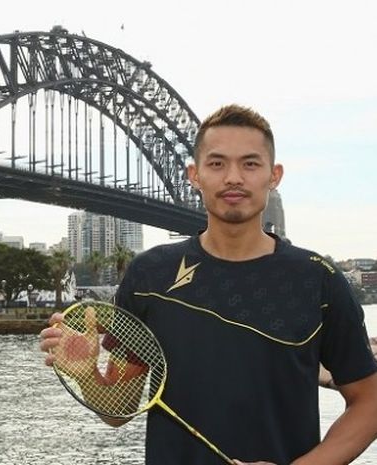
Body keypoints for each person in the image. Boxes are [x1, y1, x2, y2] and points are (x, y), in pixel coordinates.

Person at [40, 104, 377, 464]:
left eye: (250, 163)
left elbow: (369, 402)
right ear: (194, 175)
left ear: (274, 175)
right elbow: (118, 411)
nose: (233, 177)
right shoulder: (149, 275)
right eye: (217, 164)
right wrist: (88, 374)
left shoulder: (317, 278)